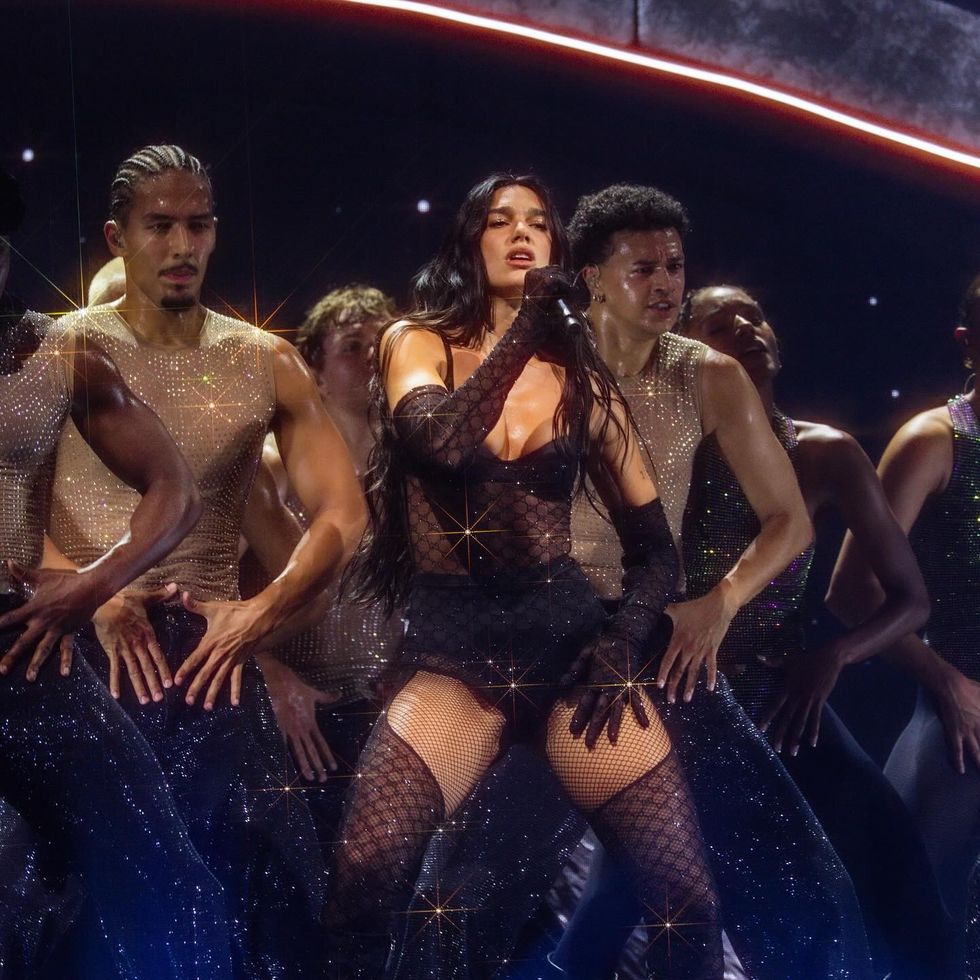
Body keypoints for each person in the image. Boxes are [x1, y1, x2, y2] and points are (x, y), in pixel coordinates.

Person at [327, 173, 724, 979]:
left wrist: (621, 641)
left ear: (556, 248)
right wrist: (528, 329)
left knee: (685, 898)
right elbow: (441, 441)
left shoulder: (583, 383)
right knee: (365, 873)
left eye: (538, 223)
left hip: (568, 651)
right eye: (500, 221)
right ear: (468, 241)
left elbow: (657, 552)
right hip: (453, 658)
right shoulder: (416, 341)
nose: (520, 234)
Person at [46, 145, 366, 977]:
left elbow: (343, 512)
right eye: (160, 226)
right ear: (117, 237)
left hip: (208, 668)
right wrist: (87, 591)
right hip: (77, 656)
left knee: (245, 903)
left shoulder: (266, 360)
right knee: (74, 896)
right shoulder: (55, 349)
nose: (182, 245)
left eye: (198, 225)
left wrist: (261, 614)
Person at [542, 186, 872, 980]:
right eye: (644, 268)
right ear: (592, 278)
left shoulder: (710, 375)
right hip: (540, 637)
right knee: (474, 878)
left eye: (675, 267)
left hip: (658, 641)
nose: (665, 284)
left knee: (789, 875)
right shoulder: (538, 369)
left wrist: (719, 603)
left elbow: (789, 521)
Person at [678, 283, 951, 979]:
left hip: (786, 697)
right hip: (683, 697)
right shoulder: (670, 451)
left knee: (893, 863)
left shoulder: (824, 452)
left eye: (755, 316)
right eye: (722, 324)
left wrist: (834, 656)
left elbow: (911, 600)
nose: (747, 328)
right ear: (686, 350)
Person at [0, 169, 233, 978]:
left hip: (19, 647)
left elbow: (176, 490)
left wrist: (93, 582)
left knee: (165, 879)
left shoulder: (58, 352)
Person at [831, 272, 980, 976]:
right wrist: (945, 682)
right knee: (909, 934)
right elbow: (851, 590)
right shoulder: (935, 440)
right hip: (963, 724)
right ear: (967, 342)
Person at [245, 285, 404, 848]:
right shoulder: (276, 466)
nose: (371, 361)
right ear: (314, 369)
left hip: (381, 708)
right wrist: (270, 674)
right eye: (352, 347)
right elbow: (211, 581)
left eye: (381, 348)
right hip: (299, 716)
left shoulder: (409, 473)